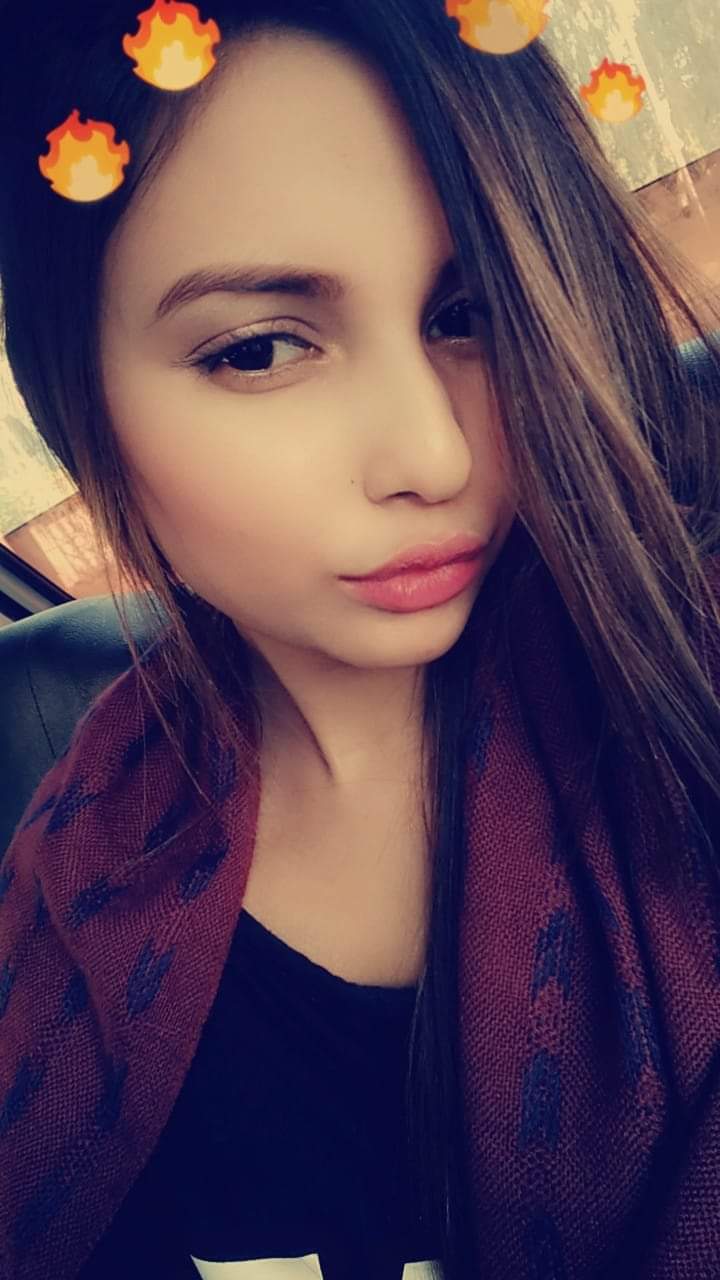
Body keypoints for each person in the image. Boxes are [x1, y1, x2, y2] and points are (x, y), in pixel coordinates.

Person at [1, 2, 720, 1278]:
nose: (433, 455)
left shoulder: (684, 669)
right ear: (83, 403)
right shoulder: (68, 880)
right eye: (260, 348)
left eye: (471, 312)